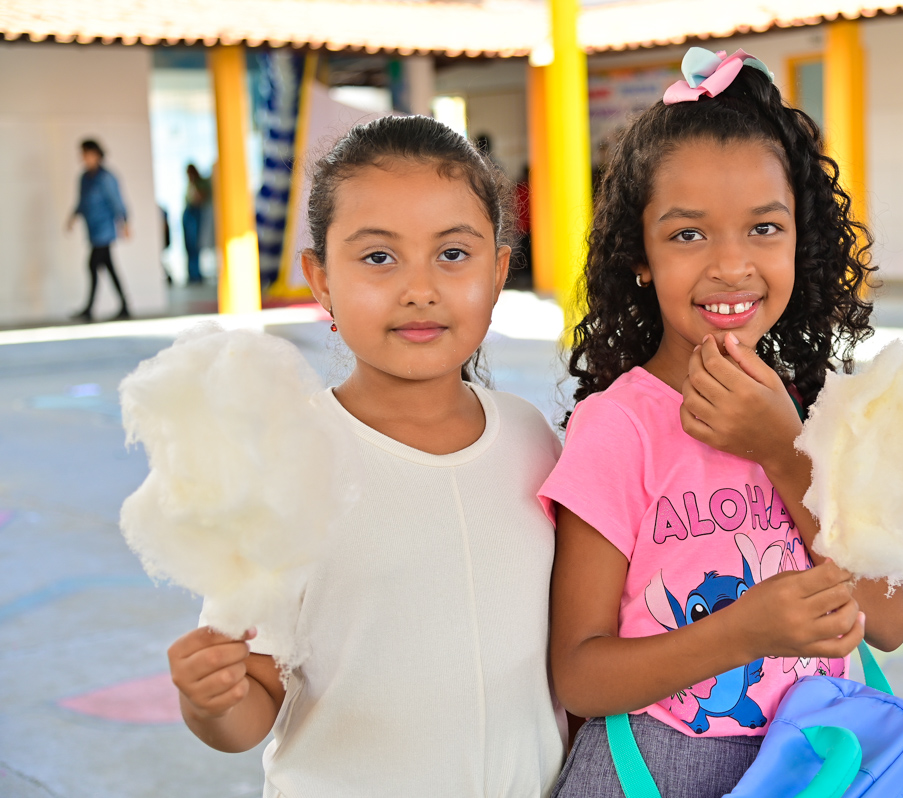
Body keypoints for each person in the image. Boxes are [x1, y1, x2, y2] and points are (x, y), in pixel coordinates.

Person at [540, 49, 903, 797]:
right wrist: (741, 633)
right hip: (661, 771)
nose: (732, 265)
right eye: (688, 235)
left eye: (764, 228)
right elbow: (579, 675)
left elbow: (889, 619)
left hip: (810, 765)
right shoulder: (620, 428)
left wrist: (784, 451)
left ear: (800, 240)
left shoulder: (826, 417)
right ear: (640, 255)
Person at [165, 116, 565, 796]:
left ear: (498, 272)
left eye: (453, 254)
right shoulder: (288, 462)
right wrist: (211, 700)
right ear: (320, 279)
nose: (419, 288)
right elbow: (253, 702)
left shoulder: (533, 439)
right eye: (379, 258)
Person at [66, 139, 131, 321]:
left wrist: (125, 222)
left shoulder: (106, 178)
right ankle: (124, 306)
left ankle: (89, 308)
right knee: (108, 267)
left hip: (105, 229)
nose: (83, 158)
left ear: (96, 154)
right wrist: (73, 217)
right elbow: (82, 201)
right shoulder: (84, 178)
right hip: (92, 229)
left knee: (92, 264)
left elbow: (117, 201)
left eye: (86, 154)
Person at [182, 164, 212, 285]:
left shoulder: (200, 183)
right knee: (189, 246)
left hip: (195, 213)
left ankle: (196, 274)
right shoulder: (190, 184)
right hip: (188, 213)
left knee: (194, 245)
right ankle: (192, 274)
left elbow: (201, 198)